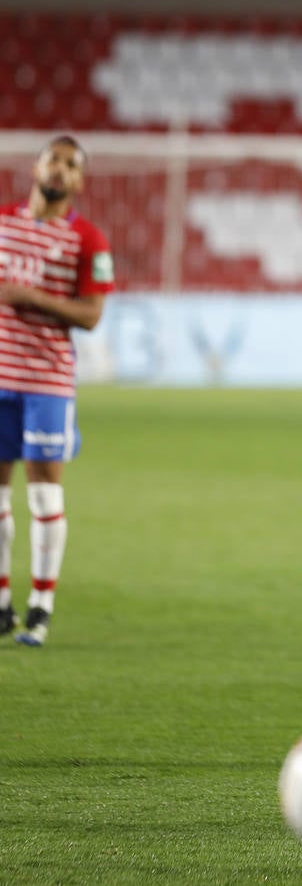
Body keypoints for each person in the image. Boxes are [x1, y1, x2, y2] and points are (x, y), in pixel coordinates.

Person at [0, 135, 114, 645]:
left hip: (47, 384)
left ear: (80, 181)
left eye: (72, 165)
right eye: (55, 159)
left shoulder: (88, 240)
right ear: (37, 165)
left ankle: (41, 606)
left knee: (44, 494)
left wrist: (28, 296)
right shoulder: (3, 222)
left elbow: (91, 315)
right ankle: (1, 604)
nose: (61, 170)